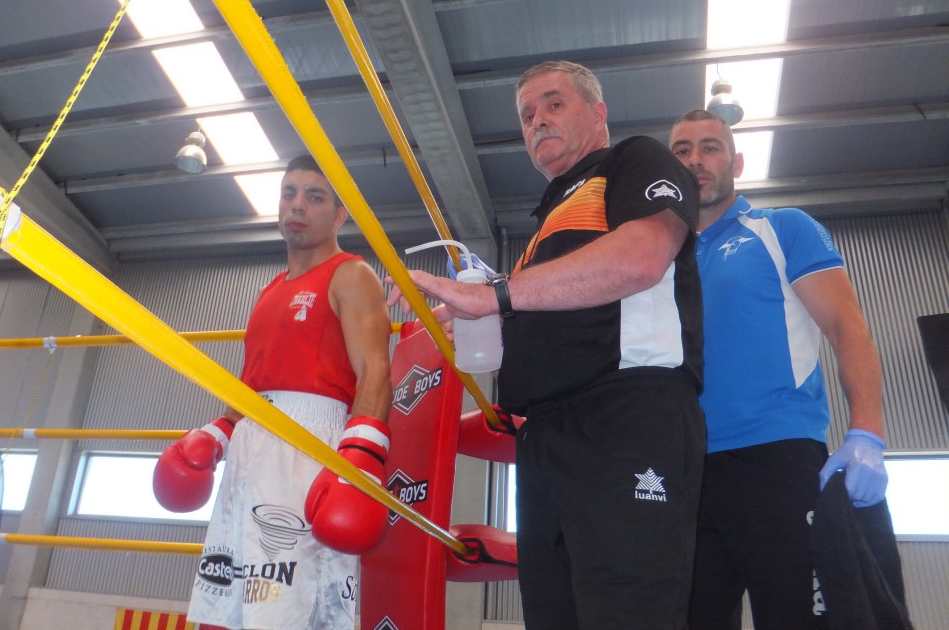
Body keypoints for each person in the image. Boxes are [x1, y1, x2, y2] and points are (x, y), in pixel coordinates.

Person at [389, 60, 705, 630]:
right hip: (544, 435)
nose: (538, 122)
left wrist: (496, 296)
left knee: (627, 611)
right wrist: (481, 318)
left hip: (626, 414)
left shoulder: (634, 160)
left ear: (597, 112)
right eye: (527, 116)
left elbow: (641, 257)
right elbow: (546, 309)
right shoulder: (545, 226)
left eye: (554, 105)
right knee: (554, 613)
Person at [668, 109, 889, 630]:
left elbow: (846, 327)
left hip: (777, 461)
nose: (695, 159)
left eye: (709, 147)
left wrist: (867, 433)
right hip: (687, 474)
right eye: (681, 151)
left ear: (736, 162)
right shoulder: (659, 263)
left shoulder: (782, 228)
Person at [153, 154, 394, 630]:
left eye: (314, 196)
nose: (297, 206)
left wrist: (360, 460)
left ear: (339, 214)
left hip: (310, 440)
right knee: (226, 604)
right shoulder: (269, 290)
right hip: (251, 446)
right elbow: (251, 383)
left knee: (287, 605)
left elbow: (376, 372)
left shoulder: (351, 274)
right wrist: (219, 433)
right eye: (289, 194)